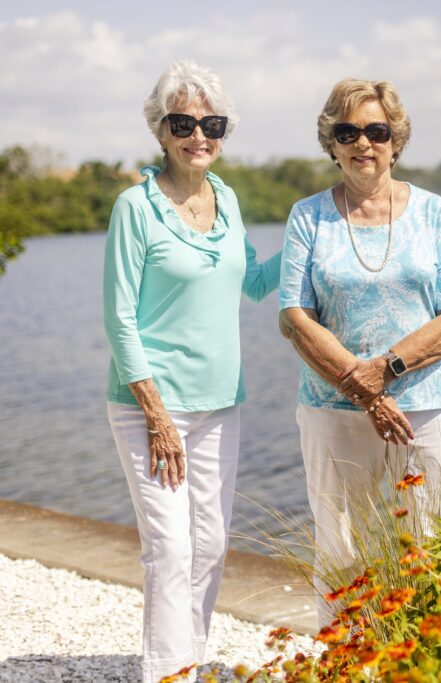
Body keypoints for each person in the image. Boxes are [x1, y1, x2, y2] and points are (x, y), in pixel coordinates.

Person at [103, 60, 281, 683]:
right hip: (150, 405)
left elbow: (256, 284)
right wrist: (155, 415)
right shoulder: (135, 207)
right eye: (183, 122)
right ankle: (164, 674)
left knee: (209, 547)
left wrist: (316, 233)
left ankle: (190, 664)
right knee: (171, 549)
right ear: (160, 130)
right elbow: (120, 319)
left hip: (220, 401)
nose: (198, 134)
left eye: (211, 123)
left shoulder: (227, 198)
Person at [278, 78, 441, 623]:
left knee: (434, 546)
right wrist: (361, 390)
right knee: (341, 554)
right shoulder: (307, 216)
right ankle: (346, 666)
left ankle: (435, 662)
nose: (363, 143)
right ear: (332, 143)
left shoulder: (433, 211)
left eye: (376, 131)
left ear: (396, 139)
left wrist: (385, 371)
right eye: (348, 131)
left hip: (426, 410)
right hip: (331, 412)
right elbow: (294, 315)